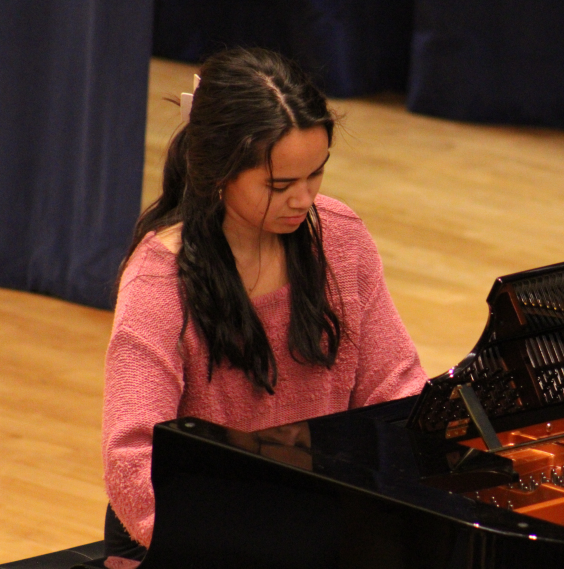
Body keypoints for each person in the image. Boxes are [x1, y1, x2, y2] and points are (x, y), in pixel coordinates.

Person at [101, 47, 427, 562]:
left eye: (315, 175)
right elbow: (132, 461)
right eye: (280, 185)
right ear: (217, 174)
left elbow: (395, 387)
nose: (304, 199)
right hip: (196, 537)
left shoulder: (340, 238)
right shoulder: (159, 280)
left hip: (322, 520)